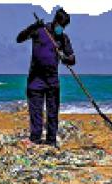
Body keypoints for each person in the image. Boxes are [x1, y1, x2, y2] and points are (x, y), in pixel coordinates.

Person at [16, 8, 76, 147]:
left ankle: (51, 140)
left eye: (64, 26)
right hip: (35, 80)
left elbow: (72, 59)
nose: (62, 28)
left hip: (52, 81)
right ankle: (35, 139)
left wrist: (64, 58)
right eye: (61, 25)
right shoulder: (39, 30)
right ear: (55, 21)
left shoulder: (63, 38)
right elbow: (19, 39)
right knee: (36, 111)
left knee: (52, 112)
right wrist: (33, 26)